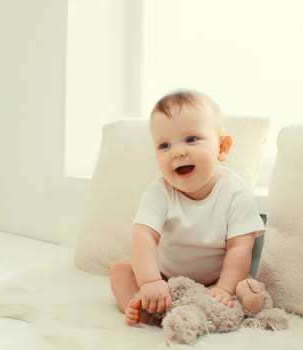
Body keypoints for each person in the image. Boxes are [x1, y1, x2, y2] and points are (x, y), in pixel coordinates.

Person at [109, 89, 265, 325]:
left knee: (239, 285)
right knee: (120, 270)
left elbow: (240, 247)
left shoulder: (235, 191)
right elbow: (144, 236)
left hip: (214, 280)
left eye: (191, 139)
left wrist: (224, 287)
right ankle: (138, 304)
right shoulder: (159, 191)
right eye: (164, 145)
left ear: (221, 148)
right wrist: (150, 281)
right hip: (164, 276)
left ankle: (215, 296)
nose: (177, 151)